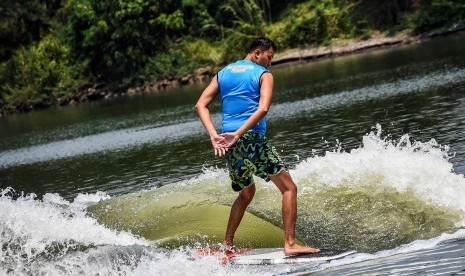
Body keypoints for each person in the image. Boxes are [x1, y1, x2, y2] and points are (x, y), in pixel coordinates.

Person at [195, 37, 319, 256]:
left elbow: (200, 104)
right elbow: (263, 109)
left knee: (246, 193)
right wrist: (240, 133)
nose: (270, 63)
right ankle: (290, 244)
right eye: (269, 57)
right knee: (289, 188)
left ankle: (227, 246)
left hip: (229, 144)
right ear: (257, 53)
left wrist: (214, 135)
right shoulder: (263, 74)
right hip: (251, 139)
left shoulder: (223, 73)